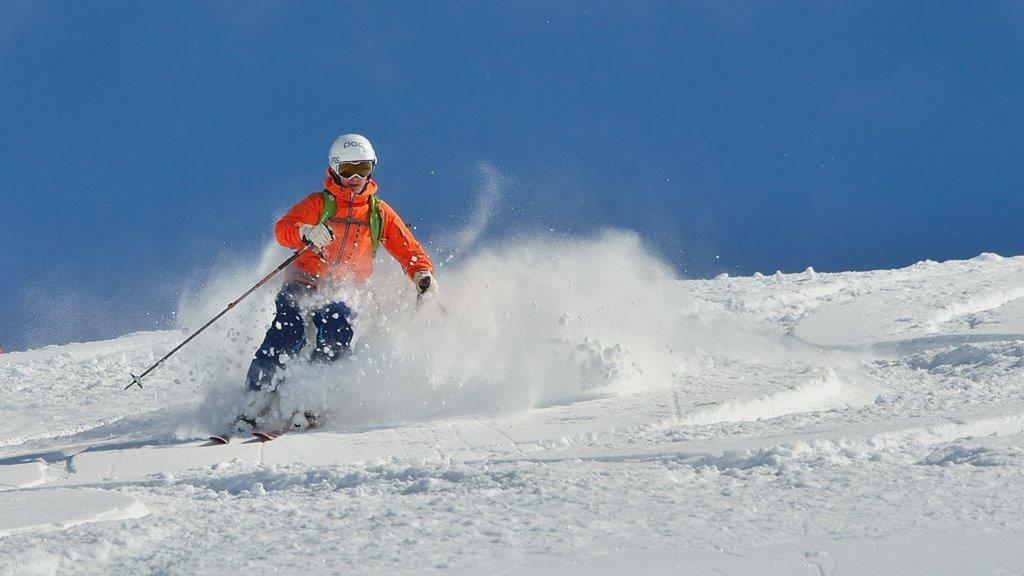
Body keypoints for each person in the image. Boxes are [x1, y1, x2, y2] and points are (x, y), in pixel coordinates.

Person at [235, 133, 437, 431]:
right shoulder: (319, 204)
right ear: (334, 169)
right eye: (347, 170)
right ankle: (254, 399)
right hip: (305, 281)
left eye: (363, 169)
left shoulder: (378, 212)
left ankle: (312, 401)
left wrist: (421, 273)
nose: (355, 177)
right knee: (287, 329)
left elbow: (408, 249)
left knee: (336, 328)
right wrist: (306, 232)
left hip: (345, 287)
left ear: (372, 169)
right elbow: (283, 229)